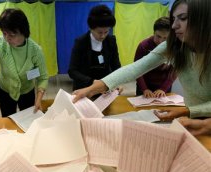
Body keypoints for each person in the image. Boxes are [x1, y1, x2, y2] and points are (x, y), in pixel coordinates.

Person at [73, 0, 211, 122]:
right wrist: (92, 89)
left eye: (183, 18)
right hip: (192, 117)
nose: (174, 25)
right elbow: (137, 68)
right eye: (173, 19)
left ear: (203, 19)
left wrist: (187, 111)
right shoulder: (173, 46)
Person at [68, 5, 121, 91]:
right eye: (99, 32)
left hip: (105, 89)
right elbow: (72, 71)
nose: (103, 36)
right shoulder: (81, 42)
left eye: (106, 32)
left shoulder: (111, 41)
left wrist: (117, 82)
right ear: (91, 28)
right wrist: (92, 82)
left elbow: (116, 66)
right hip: (84, 88)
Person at [134, 16, 177, 98]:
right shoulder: (144, 46)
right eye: (158, 36)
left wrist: (163, 88)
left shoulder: (174, 48)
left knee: (162, 110)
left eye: (166, 38)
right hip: (144, 86)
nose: (161, 42)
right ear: (154, 33)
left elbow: (175, 70)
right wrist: (144, 89)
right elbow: (137, 70)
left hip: (164, 87)